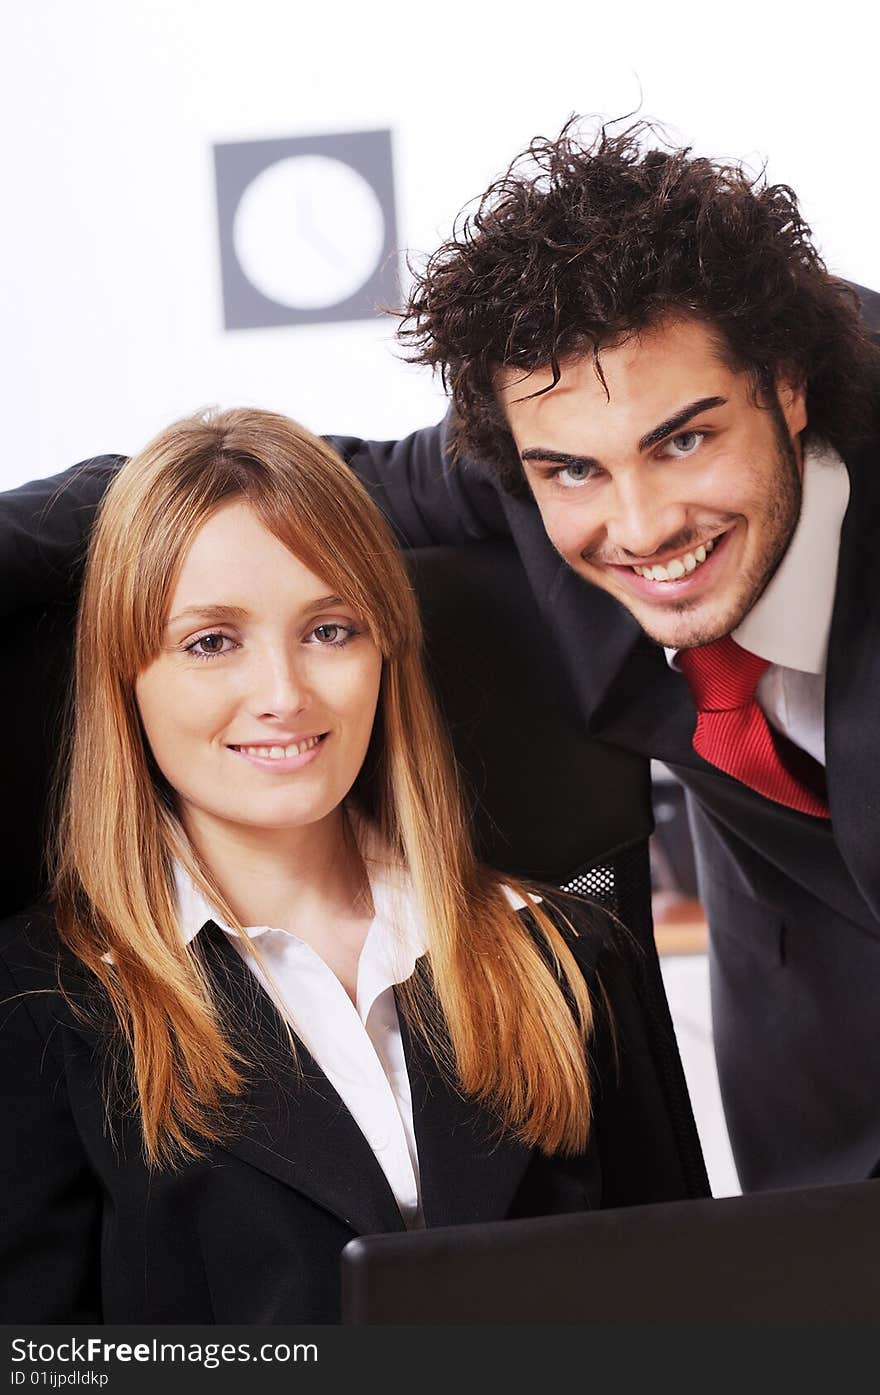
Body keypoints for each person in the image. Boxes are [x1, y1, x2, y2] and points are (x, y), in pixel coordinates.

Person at [3, 119, 878, 1195]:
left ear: (786, 388)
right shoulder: (521, 476)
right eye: (570, 471)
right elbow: (262, 488)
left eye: (684, 440)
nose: (642, 525)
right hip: (820, 1097)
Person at [0, 407, 706, 1324]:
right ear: (124, 679)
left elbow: (692, 1317)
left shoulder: (566, 955)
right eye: (211, 642)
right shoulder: (43, 1005)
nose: (285, 694)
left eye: (330, 629)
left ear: (386, 650)